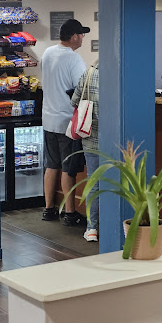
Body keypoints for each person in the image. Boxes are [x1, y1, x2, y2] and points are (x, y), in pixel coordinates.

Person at [41, 18, 90, 226]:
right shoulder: (74, 59)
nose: (83, 38)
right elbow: (82, 88)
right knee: (68, 168)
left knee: (51, 165)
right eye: (82, 34)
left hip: (48, 119)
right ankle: (70, 213)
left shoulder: (47, 53)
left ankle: (49, 209)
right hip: (67, 121)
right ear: (74, 36)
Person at [71, 63, 99, 241]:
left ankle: (92, 228)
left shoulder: (88, 74)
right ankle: (113, 225)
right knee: (115, 184)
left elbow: (74, 101)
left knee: (94, 183)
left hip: (90, 138)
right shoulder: (121, 75)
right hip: (115, 142)